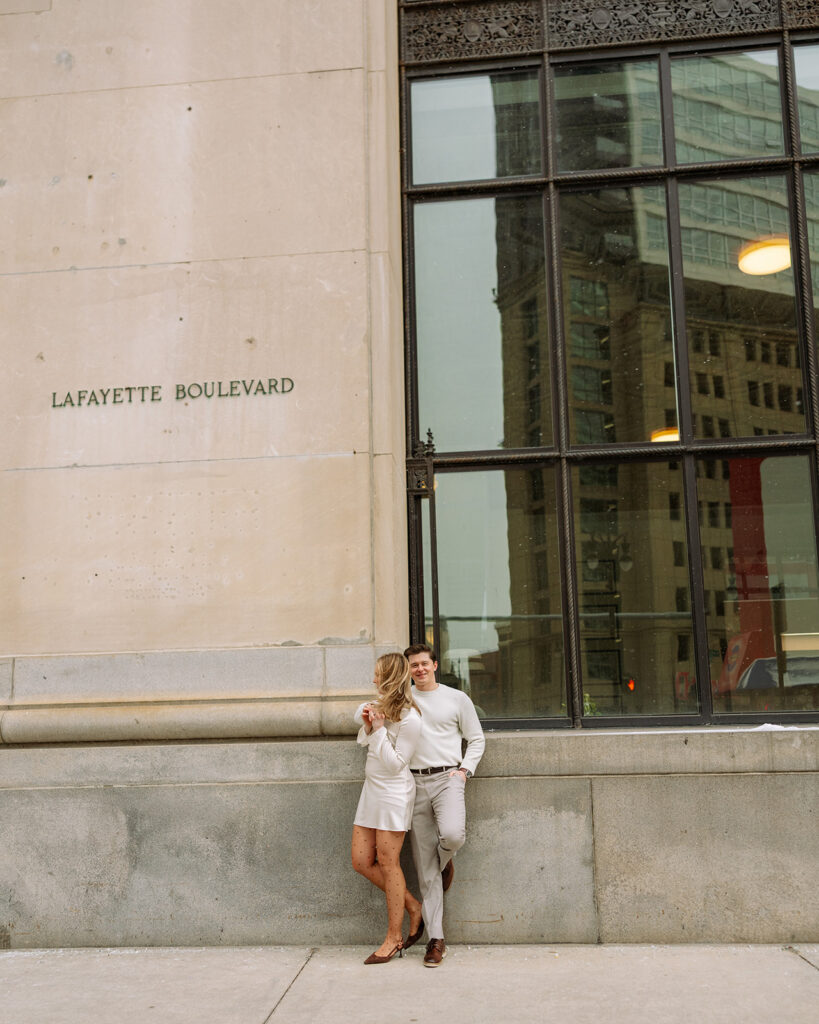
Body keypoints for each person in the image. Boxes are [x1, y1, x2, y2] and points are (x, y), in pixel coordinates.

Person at [404, 642, 485, 968]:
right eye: (413, 665)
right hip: (413, 783)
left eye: (424, 663)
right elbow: (366, 717)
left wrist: (464, 771)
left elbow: (477, 737)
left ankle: (445, 860)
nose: (419, 669)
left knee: (452, 836)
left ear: (435, 665)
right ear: (408, 670)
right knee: (425, 872)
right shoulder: (403, 699)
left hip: (447, 779)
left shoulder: (456, 698)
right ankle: (435, 940)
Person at [351, 652, 425, 965]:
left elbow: (396, 764)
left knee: (387, 861)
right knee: (360, 860)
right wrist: (371, 723)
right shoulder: (377, 707)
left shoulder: (411, 718)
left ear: (390, 677)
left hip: (394, 794)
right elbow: (360, 731)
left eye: (378, 674)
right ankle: (412, 905)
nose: (373, 680)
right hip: (371, 793)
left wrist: (379, 729)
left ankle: (394, 937)